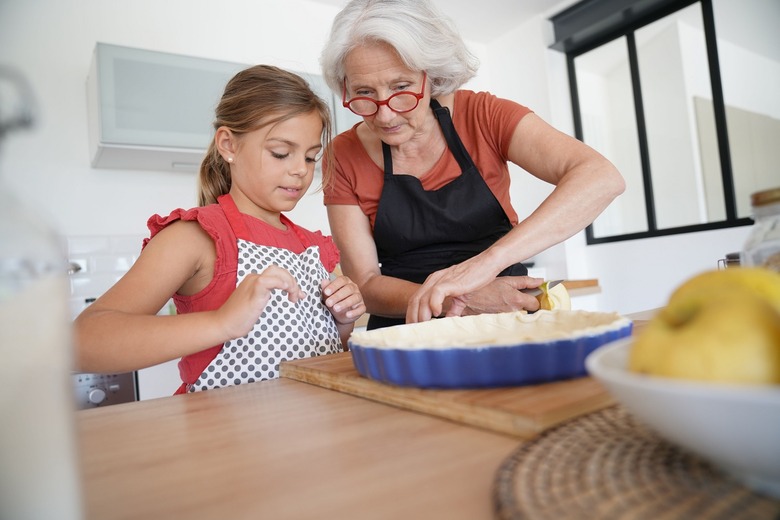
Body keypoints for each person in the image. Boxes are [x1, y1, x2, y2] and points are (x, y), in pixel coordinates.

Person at [320, 0, 625, 329]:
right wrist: (457, 301)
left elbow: (601, 177)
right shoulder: (343, 155)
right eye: (364, 93)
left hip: (507, 313)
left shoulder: (483, 116)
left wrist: (486, 264)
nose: (385, 114)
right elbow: (365, 284)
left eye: (401, 87)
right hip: (408, 328)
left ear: (431, 75)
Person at [74, 65, 366, 394]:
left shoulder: (314, 249)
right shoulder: (197, 237)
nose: (300, 170)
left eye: (311, 157)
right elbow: (83, 343)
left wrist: (342, 322)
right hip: (225, 440)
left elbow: (322, 351)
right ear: (228, 145)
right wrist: (222, 323)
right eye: (281, 153)